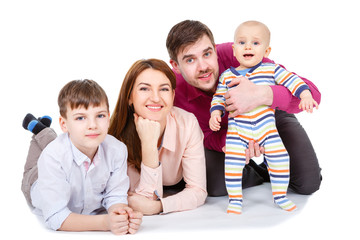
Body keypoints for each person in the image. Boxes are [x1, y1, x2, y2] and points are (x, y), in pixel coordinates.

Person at [166, 20, 322, 197]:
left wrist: (261, 95)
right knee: (214, 185)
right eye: (190, 60)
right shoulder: (172, 91)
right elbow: (205, 135)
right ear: (176, 66)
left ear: (215, 50)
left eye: (207, 54)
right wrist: (235, 142)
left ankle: (275, 164)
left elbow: (313, 94)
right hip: (228, 133)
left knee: (308, 183)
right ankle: (258, 171)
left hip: (268, 114)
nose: (203, 67)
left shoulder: (239, 52)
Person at [209, 20, 318, 214]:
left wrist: (305, 94)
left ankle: (280, 196)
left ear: (266, 51)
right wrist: (216, 112)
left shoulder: (271, 70)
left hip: (267, 129)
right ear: (234, 50)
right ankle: (235, 200)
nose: (248, 46)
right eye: (242, 43)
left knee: (281, 158)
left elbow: (292, 80)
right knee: (232, 164)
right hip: (237, 131)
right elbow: (219, 97)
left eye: (255, 43)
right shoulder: (226, 76)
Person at [21, 79, 142, 235]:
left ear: (108, 117)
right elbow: (56, 217)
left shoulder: (117, 150)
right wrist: (105, 222)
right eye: (80, 118)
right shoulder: (52, 156)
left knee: (68, 140)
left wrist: (122, 215)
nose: (93, 125)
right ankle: (39, 130)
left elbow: (115, 196)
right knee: (45, 149)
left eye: (100, 115)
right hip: (35, 179)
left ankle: (47, 131)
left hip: (68, 148)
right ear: (64, 124)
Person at [108, 58, 207, 215]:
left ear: (173, 95)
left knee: (218, 183)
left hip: (183, 174)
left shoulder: (187, 123)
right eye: (144, 89)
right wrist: (148, 144)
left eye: (164, 89)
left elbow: (198, 190)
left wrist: (160, 206)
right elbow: (142, 199)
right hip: (163, 184)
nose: (155, 97)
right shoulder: (116, 137)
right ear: (129, 97)